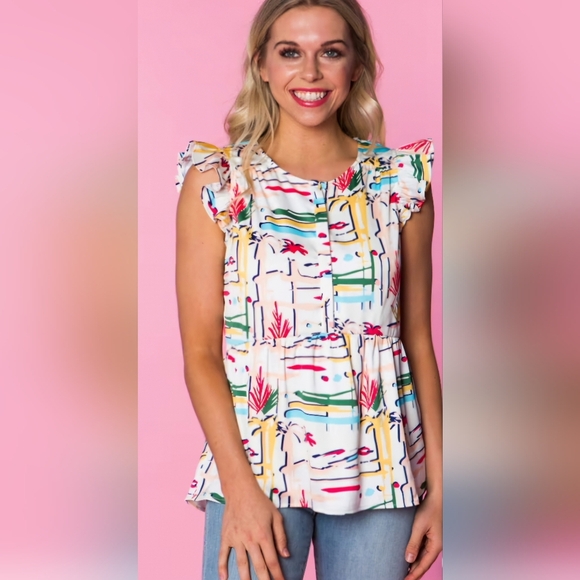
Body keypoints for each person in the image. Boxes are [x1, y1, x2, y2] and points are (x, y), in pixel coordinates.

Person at [174, 1, 442, 579]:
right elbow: (199, 354)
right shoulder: (218, 182)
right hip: (256, 460)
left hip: (381, 466)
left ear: (357, 65)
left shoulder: (400, 183)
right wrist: (239, 490)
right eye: (290, 52)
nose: (311, 72)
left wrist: (443, 491)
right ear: (262, 65)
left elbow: (417, 343)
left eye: (331, 52)